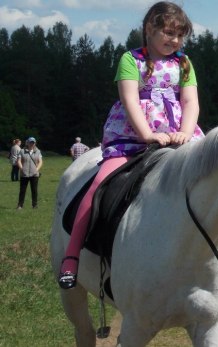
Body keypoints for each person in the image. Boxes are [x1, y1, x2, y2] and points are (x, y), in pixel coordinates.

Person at [58, 1, 204, 290]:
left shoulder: (184, 63)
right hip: (131, 137)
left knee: (216, 173)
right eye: (168, 32)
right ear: (149, 29)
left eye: (179, 35)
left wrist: (186, 133)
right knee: (99, 183)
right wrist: (147, 134)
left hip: (177, 134)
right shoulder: (130, 59)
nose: (174, 40)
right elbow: (130, 100)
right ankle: (72, 255)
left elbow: (190, 101)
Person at [16, 137, 42, 209]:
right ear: (27, 143)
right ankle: (20, 205)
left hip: (34, 174)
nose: (31, 144)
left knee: (34, 190)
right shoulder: (22, 151)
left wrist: (36, 169)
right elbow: (18, 161)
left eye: (33, 142)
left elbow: (40, 161)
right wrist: (22, 169)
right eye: (30, 142)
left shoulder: (38, 151)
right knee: (22, 191)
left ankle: (34, 205)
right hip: (24, 174)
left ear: (35, 143)